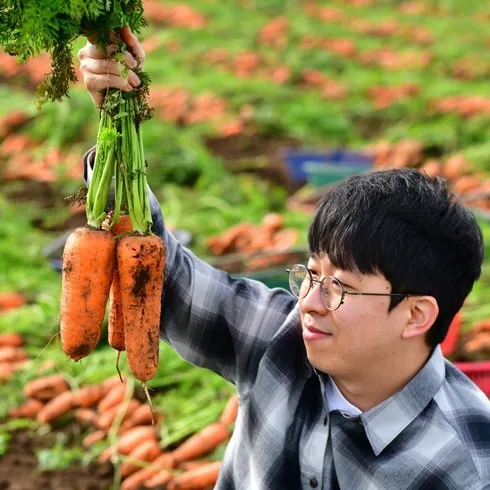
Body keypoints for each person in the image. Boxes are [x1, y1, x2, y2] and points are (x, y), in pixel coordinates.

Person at [78, 28, 490, 489]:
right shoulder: (283, 339)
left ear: (416, 315)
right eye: (312, 276)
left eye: (341, 287)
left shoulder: (462, 467)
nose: (310, 303)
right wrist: (115, 120)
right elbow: (165, 281)